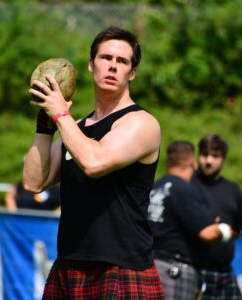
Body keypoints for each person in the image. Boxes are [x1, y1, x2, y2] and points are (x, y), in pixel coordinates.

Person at [23, 26, 164, 299]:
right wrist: (45, 124)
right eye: (105, 58)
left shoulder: (142, 123)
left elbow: (94, 162)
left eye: (122, 61)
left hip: (121, 268)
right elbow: (33, 182)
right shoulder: (74, 128)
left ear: (132, 73)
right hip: (69, 265)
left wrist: (60, 113)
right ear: (91, 65)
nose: (112, 66)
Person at [148, 140, 235, 300]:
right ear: (192, 162)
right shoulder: (183, 189)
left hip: (152, 266)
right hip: (174, 273)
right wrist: (222, 230)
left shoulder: (155, 187)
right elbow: (208, 234)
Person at [191, 134, 242, 300]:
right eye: (205, 154)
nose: (208, 161)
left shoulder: (233, 189)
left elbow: (237, 229)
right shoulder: (187, 184)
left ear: (224, 159)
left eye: (215, 156)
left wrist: (223, 231)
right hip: (195, 271)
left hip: (225, 273)